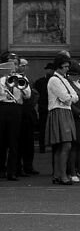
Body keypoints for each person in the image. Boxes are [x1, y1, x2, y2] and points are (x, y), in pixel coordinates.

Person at [46, 55, 78, 185]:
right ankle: (62, 175)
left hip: (66, 111)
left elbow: (75, 96)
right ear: (58, 67)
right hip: (58, 111)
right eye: (64, 67)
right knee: (64, 145)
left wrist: (69, 98)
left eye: (67, 66)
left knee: (63, 145)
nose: (67, 69)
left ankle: (57, 175)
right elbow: (65, 97)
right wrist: (69, 98)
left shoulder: (64, 80)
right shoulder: (54, 80)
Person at [0, 52, 32, 181]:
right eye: (11, 63)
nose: (13, 66)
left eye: (15, 63)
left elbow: (28, 95)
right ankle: (1, 169)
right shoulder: (1, 78)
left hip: (16, 108)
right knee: (1, 140)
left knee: (14, 141)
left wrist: (20, 85)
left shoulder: (21, 78)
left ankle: (12, 171)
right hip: (2, 107)